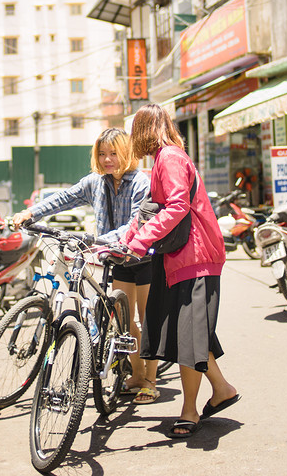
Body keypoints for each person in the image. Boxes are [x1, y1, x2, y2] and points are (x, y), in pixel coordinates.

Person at [11, 128, 159, 402]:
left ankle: (150, 380)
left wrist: (99, 241)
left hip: (144, 257)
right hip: (116, 259)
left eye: (114, 153)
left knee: (148, 320)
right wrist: (31, 212)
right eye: (102, 154)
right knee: (123, 322)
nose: (107, 159)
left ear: (126, 153)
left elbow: (136, 224)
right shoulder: (95, 183)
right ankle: (137, 374)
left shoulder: (141, 183)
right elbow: (64, 198)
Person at [121, 103, 240, 439]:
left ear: (142, 131)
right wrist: (122, 242)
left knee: (189, 336)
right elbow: (148, 212)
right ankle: (221, 388)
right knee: (190, 333)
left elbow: (175, 206)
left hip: (194, 258)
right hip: (182, 260)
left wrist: (139, 241)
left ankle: (190, 410)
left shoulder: (170, 158)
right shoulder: (165, 159)